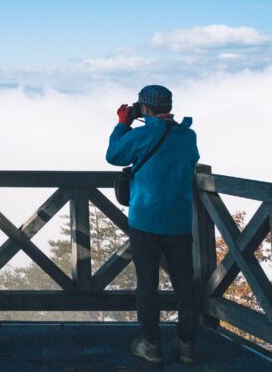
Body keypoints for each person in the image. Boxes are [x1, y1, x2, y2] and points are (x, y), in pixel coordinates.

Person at [106, 84, 200, 365]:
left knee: (147, 283)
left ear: (144, 107)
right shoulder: (188, 135)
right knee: (185, 284)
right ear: (168, 106)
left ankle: (150, 344)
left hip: (146, 220)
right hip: (180, 221)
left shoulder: (142, 134)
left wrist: (123, 123)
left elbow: (113, 155)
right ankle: (186, 345)